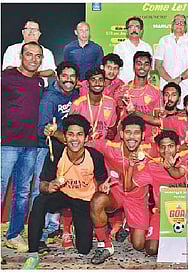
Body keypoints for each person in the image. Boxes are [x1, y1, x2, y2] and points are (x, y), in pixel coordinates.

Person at [24, 114, 108, 269]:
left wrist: (103, 187)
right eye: (70, 134)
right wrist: (48, 187)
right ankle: (33, 252)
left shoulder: (95, 156)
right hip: (63, 194)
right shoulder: (56, 153)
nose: (74, 139)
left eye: (79, 134)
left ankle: (75, 226)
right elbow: (43, 184)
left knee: (84, 249)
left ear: (86, 137)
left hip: (83, 200)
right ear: (65, 136)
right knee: (39, 201)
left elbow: (104, 181)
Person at [87, 115, 155, 264]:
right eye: (128, 132)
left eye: (136, 133)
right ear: (122, 134)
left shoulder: (150, 150)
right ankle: (105, 244)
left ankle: (126, 225)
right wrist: (53, 133)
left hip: (137, 200)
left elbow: (172, 148)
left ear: (143, 135)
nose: (132, 137)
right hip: (115, 194)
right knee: (97, 200)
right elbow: (81, 143)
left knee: (139, 245)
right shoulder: (109, 147)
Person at [33, 61, 81, 252]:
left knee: (61, 187)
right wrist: (56, 133)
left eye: (72, 77)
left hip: (67, 150)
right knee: (42, 190)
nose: (68, 80)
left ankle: (53, 228)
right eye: (65, 76)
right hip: (47, 149)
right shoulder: (49, 99)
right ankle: (39, 236)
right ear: (58, 77)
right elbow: (42, 129)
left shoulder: (77, 95)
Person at [1, 42, 44, 252]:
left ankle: (14, 234)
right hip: (6, 144)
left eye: (38, 56)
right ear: (21, 56)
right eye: (29, 55)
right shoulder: (6, 78)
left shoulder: (39, 83)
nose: (33, 59)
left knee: (22, 193)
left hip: (30, 146)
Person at [141, 130, 186, 256]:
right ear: (158, 149)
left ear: (177, 147)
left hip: (184, 213)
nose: (166, 151)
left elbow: (177, 174)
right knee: (151, 250)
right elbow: (131, 185)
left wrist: (170, 168)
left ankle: (172, 238)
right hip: (161, 213)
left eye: (170, 146)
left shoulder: (186, 160)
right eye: (163, 147)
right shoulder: (151, 165)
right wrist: (131, 165)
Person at [115, 51, 162, 143]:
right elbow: (115, 118)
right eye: (139, 64)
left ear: (150, 67)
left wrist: (135, 112)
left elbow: (158, 121)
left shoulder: (156, 92)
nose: (142, 67)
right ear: (133, 66)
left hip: (147, 140)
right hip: (125, 140)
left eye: (146, 64)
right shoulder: (122, 90)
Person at [154, 14, 188, 108]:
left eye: (182, 22)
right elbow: (158, 65)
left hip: (185, 84)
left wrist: (179, 79)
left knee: (184, 114)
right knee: (166, 113)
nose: (179, 25)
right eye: (177, 22)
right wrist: (170, 80)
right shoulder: (164, 40)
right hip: (166, 84)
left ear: (185, 26)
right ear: (172, 25)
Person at [2, 20, 56, 86]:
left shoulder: (47, 52)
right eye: (29, 29)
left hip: (40, 89)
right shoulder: (12, 49)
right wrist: (27, 74)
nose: (32, 32)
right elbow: (7, 68)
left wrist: (34, 73)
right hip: (15, 87)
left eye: (35, 30)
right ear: (23, 32)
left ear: (39, 34)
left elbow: (52, 71)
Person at [70, 67, 117, 141]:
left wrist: (111, 132)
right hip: (83, 146)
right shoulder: (78, 104)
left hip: (103, 146)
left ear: (104, 83)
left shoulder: (111, 103)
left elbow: (112, 127)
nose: (97, 83)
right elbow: (70, 131)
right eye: (93, 80)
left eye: (100, 80)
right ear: (88, 83)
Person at [114, 16, 153, 83]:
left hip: (143, 86)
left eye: (137, 27)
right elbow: (115, 68)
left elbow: (150, 68)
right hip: (123, 86)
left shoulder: (147, 47)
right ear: (127, 30)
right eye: (131, 27)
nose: (134, 30)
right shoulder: (119, 47)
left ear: (141, 30)